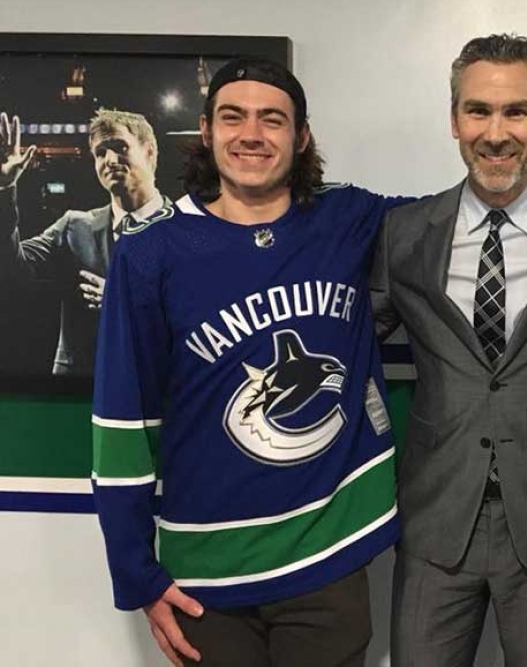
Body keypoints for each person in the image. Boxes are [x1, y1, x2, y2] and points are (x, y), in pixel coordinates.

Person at [91, 58, 408, 667]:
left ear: (302, 136)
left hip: (329, 558)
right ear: (206, 131)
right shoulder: (149, 253)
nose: (252, 134)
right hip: (209, 575)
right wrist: (137, 574)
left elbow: (456, 224)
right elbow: (122, 422)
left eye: (273, 119)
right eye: (233, 117)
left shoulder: (346, 218)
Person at [371, 34, 527, 666]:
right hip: (435, 517)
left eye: (516, 111)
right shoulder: (404, 233)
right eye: (478, 110)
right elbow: (345, 338)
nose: (496, 132)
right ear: (454, 119)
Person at [0, 108, 166, 375]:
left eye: (120, 147)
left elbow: (208, 313)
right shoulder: (74, 227)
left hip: (161, 388)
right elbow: (11, 267)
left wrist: (124, 300)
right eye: (100, 153)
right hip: (80, 391)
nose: (110, 159)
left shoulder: (190, 230)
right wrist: (4, 190)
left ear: (149, 151)